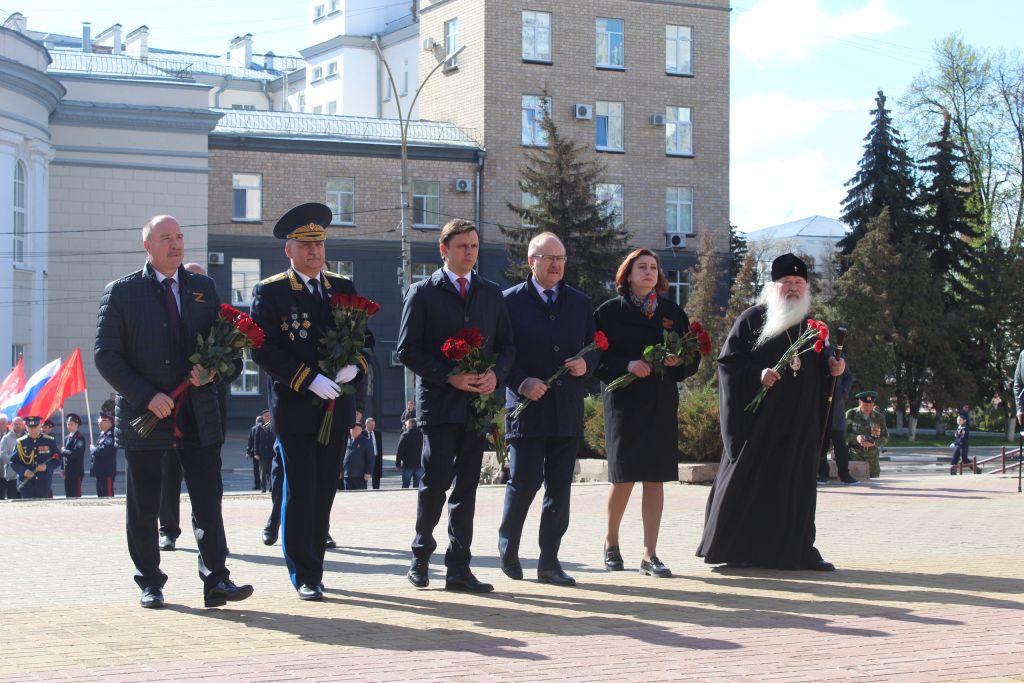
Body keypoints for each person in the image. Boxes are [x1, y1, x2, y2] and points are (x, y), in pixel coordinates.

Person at [94, 214, 253, 610]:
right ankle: (150, 580)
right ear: (147, 245)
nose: (176, 244)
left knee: (207, 503)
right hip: (146, 418)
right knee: (144, 506)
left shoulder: (203, 288)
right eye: (166, 238)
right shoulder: (122, 293)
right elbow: (106, 357)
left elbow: (230, 353)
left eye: (180, 237)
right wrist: (147, 396)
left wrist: (215, 370)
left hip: (198, 416)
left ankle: (217, 579)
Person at [249, 202, 372, 602]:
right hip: (297, 408)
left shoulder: (342, 288)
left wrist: (356, 366)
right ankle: (304, 573)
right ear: (290, 251)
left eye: (319, 244)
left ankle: (315, 565)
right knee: (300, 490)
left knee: (324, 491)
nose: (315, 252)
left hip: (336, 408)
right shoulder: (271, 292)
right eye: (306, 246)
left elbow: (366, 340)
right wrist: (309, 379)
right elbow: (264, 351)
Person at [697, 253, 845, 571]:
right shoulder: (752, 319)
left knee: (797, 486)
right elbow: (728, 364)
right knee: (753, 484)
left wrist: (836, 367)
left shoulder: (812, 328)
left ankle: (798, 548)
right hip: (760, 423)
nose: (792, 288)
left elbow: (825, 365)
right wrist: (757, 374)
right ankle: (739, 549)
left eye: (798, 283)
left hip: (800, 423)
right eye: (786, 282)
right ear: (773, 286)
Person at [397, 217, 514, 593]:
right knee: (435, 483)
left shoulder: (491, 293)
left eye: (475, 246)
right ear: (444, 250)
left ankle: (459, 569)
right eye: (463, 246)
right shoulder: (423, 292)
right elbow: (407, 350)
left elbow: (508, 346)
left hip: (477, 408)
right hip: (440, 404)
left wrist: (496, 375)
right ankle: (420, 555)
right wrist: (448, 375)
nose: (470, 253)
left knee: (467, 486)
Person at [595, 248, 701, 578]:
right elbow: (595, 358)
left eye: (653, 267)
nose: (648, 272)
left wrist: (678, 362)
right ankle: (611, 544)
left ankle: (649, 554)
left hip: (659, 403)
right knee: (623, 478)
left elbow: (692, 355)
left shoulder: (671, 312)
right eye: (641, 267)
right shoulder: (608, 313)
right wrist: (624, 365)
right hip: (624, 404)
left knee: (655, 478)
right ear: (627, 275)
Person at [499, 232, 597, 587]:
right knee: (524, 483)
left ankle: (549, 561)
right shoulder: (508, 302)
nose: (556, 264)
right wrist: (521, 381)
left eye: (561, 258)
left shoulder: (579, 302)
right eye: (548, 258)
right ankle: (508, 546)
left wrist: (587, 366)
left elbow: (594, 348)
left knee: (559, 488)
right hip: (527, 409)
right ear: (532, 262)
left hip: (565, 410)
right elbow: (500, 355)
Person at [818, 366, 858, 485]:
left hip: (836, 405)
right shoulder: (815, 352)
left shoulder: (835, 351)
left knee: (840, 442)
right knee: (820, 442)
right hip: (819, 403)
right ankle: (822, 474)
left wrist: (844, 391)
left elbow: (849, 376)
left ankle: (845, 475)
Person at [10, 416, 60, 499]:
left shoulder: (49, 441)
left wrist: (46, 467)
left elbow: (58, 459)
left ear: (40, 426)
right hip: (26, 482)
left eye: (35, 427)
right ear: (26, 427)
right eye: (30, 427)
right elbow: (13, 462)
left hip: (43, 482)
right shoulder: (20, 442)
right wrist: (24, 471)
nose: (33, 430)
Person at [846, 391, 888, 478]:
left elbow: (885, 437)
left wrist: (874, 443)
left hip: (872, 461)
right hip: (855, 458)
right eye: (865, 405)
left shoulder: (878, 417)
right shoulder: (851, 414)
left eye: (870, 405)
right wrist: (856, 438)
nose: (868, 408)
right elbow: (842, 435)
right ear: (860, 402)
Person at [90, 412, 117, 497]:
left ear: (109, 422)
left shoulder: (111, 436)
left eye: (101, 420)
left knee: (108, 497)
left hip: (106, 472)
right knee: (101, 497)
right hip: (100, 471)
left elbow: (104, 451)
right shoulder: (104, 435)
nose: (99, 422)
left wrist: (93, 449)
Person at [60, 413, 87, 497]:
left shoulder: (79, 438)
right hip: (67, 471)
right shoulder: (66, 438)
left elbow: (75, 454)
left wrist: (64, 451)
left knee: (76, 494)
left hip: (76, 472)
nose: (69, 426)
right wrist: (62, 469)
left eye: (71, 424)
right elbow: (63, 457)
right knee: (68, 495)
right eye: (68, 424)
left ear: (76, 425)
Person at [341, 422, 373, 490]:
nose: (354, 430)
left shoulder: (366, 441)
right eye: (352, 429)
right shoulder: (345, 440)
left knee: (360, 496)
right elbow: (341, 457)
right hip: (347, 475)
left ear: (361, 430)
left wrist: (368, 472)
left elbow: (370, 459)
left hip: (360, 476)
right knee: (348, 496)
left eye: (356, 429)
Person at [395, 418, 424, 489]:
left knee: (405, 485)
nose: (405, 426)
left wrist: (398, 464)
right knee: (418, 486)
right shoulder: (422, 435)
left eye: (406, 424)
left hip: (408, 464)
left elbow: (399, 451)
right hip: (419, 464)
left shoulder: (405, 435)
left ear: (410, 425)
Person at [0, 416, 24, 500]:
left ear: (23, 425)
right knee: (13, 500)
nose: (18, 426)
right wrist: (16, 462)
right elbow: (3, 455)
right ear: (12, 425)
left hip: (26, 475)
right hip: (12, 476)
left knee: (26, 500)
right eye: (16, 424)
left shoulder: (28, 437)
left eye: (20, 424)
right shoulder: (6, 438)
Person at [254, 409, 275, 492]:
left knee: (271, 471)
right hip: (262, 453)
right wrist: (256, 453)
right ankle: (263, 488)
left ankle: (271, 487)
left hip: (272, 452)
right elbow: (256, 440)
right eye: (266, 416)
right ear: (263, 417)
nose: (268, 417)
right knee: (262, 472)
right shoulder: (259, 427)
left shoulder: (273, 425)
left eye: (269, 415)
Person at [247, 414, 265, 490]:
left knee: (256, 469)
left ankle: (257, 485)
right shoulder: (265, 427)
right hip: (264, 452)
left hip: (255, 452)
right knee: (265, 469)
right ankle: (265, 484)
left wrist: (248, 451)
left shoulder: (253, 429)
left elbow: (250, 441)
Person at [365, 417, 384, 489]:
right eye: (370, 425)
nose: (372, 426)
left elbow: (380, 448)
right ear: (366, 424)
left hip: (376, 458)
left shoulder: (378, 434)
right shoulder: (362, 433)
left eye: (373, 425)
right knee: (364, 477)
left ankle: (376, 490)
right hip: (366, 459)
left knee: (376, 478)